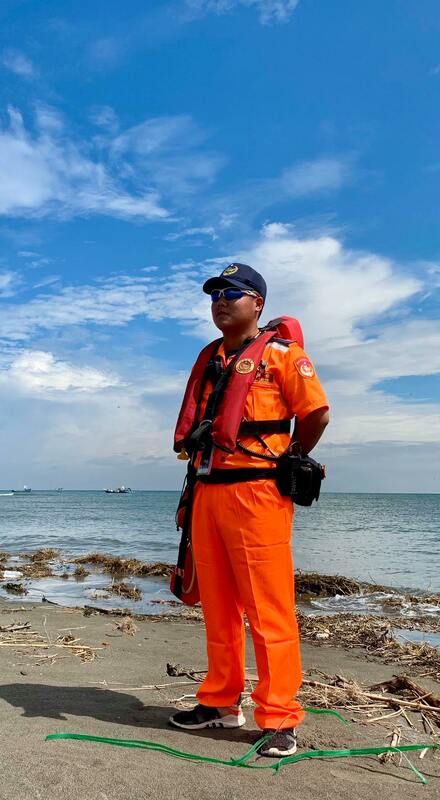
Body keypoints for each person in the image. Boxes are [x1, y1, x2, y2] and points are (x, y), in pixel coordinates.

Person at [169, 262, 329, 758]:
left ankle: (279, 717)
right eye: (215, 293)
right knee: (218, 608)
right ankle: (220, 703)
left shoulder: (282, 355)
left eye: (233, 293)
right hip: (208, 490)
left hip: (259, 493)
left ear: (257, 303)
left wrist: (294, 458)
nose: (221, 301)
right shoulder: (210, 358)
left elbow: (316, 412)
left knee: (269, 609)